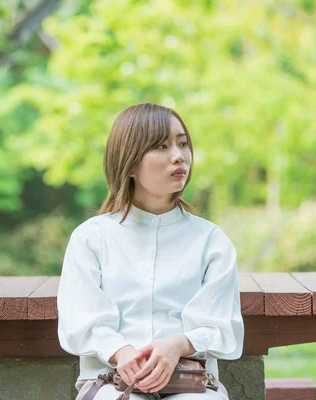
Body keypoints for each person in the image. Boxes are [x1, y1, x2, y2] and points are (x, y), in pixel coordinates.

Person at [57, 103, 244, 400]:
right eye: (161, 146)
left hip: (192, 384)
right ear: (129, 162)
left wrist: (178, 346)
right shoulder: (91, 238)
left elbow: (222, 325)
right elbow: (80, 320)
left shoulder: (211, 240)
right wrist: (121, 352)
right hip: (112, 382)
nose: (178, 156)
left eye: (183, 143)